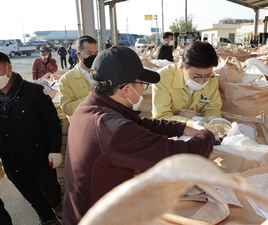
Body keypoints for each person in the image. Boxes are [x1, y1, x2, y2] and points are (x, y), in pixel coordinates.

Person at [62, 46, 215, 225]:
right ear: (126, 89)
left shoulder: (89, 108)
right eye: (142, 85)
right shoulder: (113, 131)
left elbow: (140, 123)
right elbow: (185, 158)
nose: (143, 91)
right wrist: (207, 134)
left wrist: (183, 128)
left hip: (82, 211)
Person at [0, 52, 63, 225]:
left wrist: (54, 150)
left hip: (40, 157)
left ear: (8, 68)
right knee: (32, 197)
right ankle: (49, 219)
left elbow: (52, 122)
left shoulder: (34, 92)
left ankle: (60, 209)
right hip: (12, 162)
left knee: (51, 194)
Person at [152, 41, 229, 128]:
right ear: (182, 68)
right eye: (196, 76)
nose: (202, 81)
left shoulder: (212, 79)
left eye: (207, 75)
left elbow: (212, 109)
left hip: (202, 129)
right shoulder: (163, 78)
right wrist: (192, 124)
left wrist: (214, 120)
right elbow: (161, 116)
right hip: (172, 130)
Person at [58, 35, 98, 122]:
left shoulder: (103, 73)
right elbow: (67, 108)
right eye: (89, 53)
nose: (93, 57)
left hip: (102, 123)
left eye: (95, 54)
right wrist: (93, 98)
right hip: (82, 126)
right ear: (78, 54)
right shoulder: (66, 79)